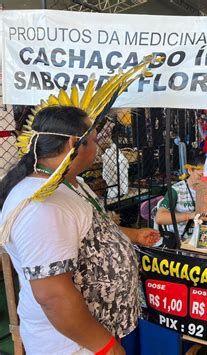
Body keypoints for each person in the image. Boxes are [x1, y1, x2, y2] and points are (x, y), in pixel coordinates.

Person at [0, 106, 160, 354]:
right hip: (73, 345)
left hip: (94, 336)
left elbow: (95, 231)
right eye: (95, 140)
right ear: (75, 143)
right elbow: (53, 295)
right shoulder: (42, 207)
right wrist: (105, 347)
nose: (99, 148)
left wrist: (133, 235)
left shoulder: (70, 183)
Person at [155, 155, 204, 239]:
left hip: (202, 235)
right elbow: (160, 217)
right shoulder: (176, 190)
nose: (204, 179)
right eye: (200, 175)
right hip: (181, 239)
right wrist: (189, 216)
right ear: (190, 170)